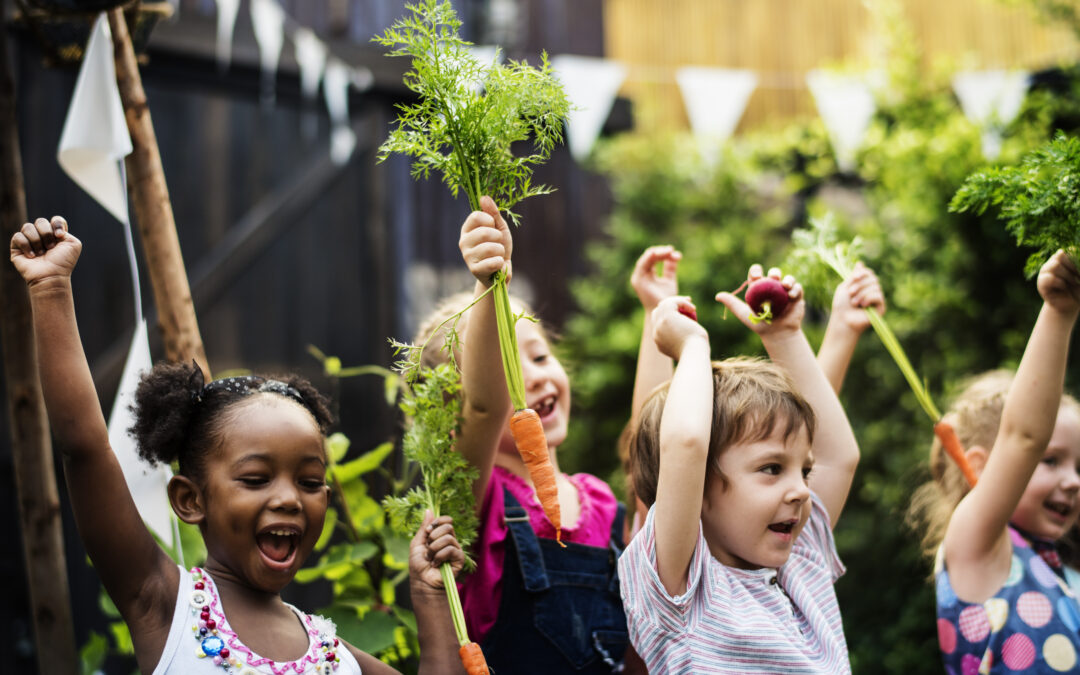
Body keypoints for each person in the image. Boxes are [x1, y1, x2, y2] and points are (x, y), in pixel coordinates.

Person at [11, 216, 467, 675]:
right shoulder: (165, 606)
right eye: (255, 479)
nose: (289, 498)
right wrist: (51, 288)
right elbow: (85, 448)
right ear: (190, 500)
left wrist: (430, 599)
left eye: (310, 481)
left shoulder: (339, 658)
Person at [414, 197, 632, 673]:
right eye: (509, 364)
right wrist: (487, 286)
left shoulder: (600, 501)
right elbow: (486, 404)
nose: (532, 377)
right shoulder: (476, 497)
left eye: (538, 356)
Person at [619, 265, 860, 673]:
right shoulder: (681, 593)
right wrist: (693, 346)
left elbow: (840, 458)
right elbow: (687, 443)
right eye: (771, 468)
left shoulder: (799, 561)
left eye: (803, 471)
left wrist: (784, 336)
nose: (802, 490)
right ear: (699, 489)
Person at [906, 250, 1080, 673]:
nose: (1074, 481)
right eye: (1051, 460)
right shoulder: (978, 547)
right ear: (983, 467)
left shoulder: (1065, 578)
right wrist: (1058, 312)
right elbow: (1023, 437)